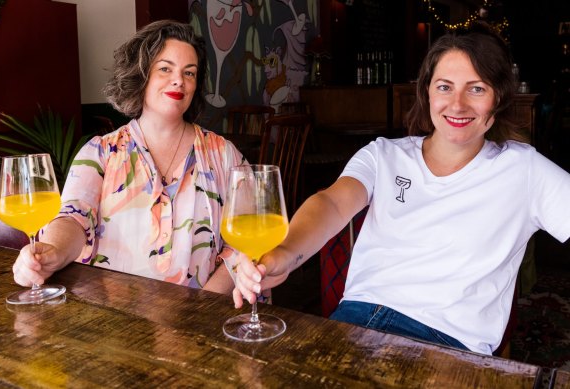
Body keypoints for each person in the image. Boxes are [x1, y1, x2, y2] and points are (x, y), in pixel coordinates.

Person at [231, 22, 570, 355]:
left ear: (498, 100)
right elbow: (332, 203)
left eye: (477, 88)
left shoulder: (522, 169)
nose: (458, 104)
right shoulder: (383, 154)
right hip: (357, 322)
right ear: (426, 91)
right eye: (444, 87)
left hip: (450, 346)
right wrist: (286, 254)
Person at [11, 20, 244, 294]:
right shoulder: (100, 153)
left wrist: (204, 307)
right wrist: (51, 252)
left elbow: (246, 240)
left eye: (189, 73)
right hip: (115, 324)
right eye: (165, 68)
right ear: (141, 75)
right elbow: (73, 218)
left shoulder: (224, 155)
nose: (179, 80)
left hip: (202, 322)